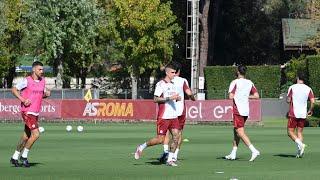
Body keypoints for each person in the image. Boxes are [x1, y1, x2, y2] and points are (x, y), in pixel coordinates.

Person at [134, 63, 181, 166]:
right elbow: (155, 99)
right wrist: (169, 98)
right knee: (160, 139)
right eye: (172, 72)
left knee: (176, 137)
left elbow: (176, 98)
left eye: (175, 72)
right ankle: (141, 147)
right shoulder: (160, 84)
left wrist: (177, 98)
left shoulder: (174, 85)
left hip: (173, 116)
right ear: (167, 72)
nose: (174, 74)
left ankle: (170, 159)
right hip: (163, 116)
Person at [10, 61, 50, 167]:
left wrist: (46, 95)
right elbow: (14, 89)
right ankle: (24, 156)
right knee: (36, 134)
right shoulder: (26, 81)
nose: (42, 71)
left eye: (42, 69)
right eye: (39, 69)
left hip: (35, 112)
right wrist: (23, 99)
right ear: (33, 69)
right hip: (28, 111)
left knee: (25, 136)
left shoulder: (43, 81)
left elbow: (40, 96)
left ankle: (14, 157)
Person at [158, 62, 195, 163]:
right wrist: (193, 98)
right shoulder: (183, 80)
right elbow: (189, 93)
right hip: (180, 111)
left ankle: (166, 152)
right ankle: (174, 155)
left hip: (169, 110)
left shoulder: (167, 80)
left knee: (166, 133)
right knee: (178, 134)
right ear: (179, 71)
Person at [225, 65, 260, 162]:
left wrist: (240, 96)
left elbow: (231, 96)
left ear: (238, 72)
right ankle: (233, 153)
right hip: (245, 110)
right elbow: (256, 96)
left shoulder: (235, 82)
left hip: (238, 110)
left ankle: (254, 150)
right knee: (236, 131)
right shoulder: (249, 82)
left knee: (240, 132)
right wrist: (246, 96)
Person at [286, 72, 315, 158]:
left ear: (298, 78)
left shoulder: (292, 87)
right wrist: (310, 110)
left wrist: (289, 99)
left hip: (294, 113)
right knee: (299, 132)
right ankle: (299, 152)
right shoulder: (308, 88)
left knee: (290, 132)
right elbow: (313, 101)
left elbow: (288, 100)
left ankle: (301, 145)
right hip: (303, 113)